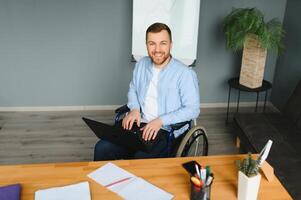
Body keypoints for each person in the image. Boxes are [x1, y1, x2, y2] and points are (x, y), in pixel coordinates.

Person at [94, 22, 200, 161]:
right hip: (138, 124)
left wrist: (160, 121)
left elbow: (192, 110)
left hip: (164, 130)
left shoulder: (184, 74)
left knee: (140, 159)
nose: (157, 49)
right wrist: (135, 109)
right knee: (102, 148)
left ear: (170, 45)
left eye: (163, 43)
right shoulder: (141, 64)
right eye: (152, 43)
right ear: (146, 45)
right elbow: (133, 89)